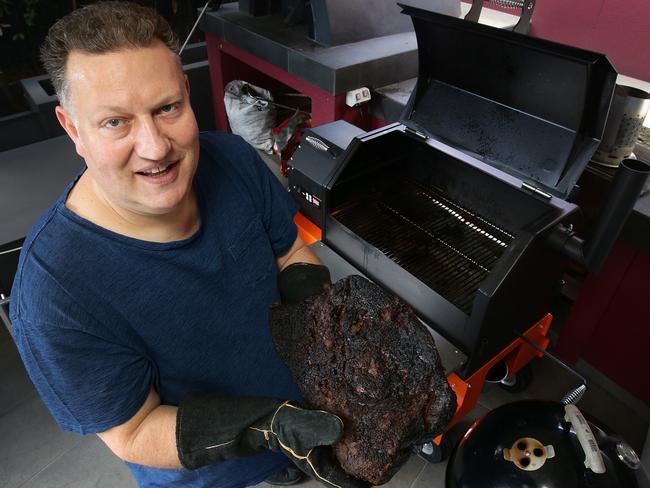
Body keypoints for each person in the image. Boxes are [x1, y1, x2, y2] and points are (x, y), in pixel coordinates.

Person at [9, 2, 367, 488]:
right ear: (73, 129)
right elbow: (133, 431)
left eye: (167, 108)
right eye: (116, 122)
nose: (156, 148)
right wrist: (265, 429)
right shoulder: (55, 294)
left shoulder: (234, 162)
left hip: (305, 404)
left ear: (186, 93)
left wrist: (323, 326)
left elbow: (288, 251)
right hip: (202, 469)